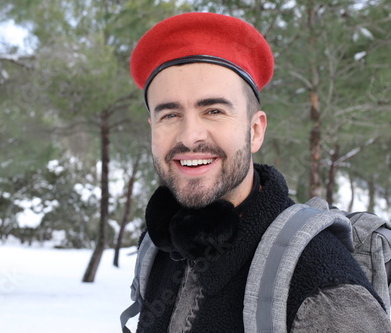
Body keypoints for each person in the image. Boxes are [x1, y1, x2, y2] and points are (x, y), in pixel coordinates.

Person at [126, 12, 391, 332]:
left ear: (255, 130)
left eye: (213, 111)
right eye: (169, 115)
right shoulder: (160, 249)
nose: (189, 136)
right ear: (152, 128)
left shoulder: (321, 285)